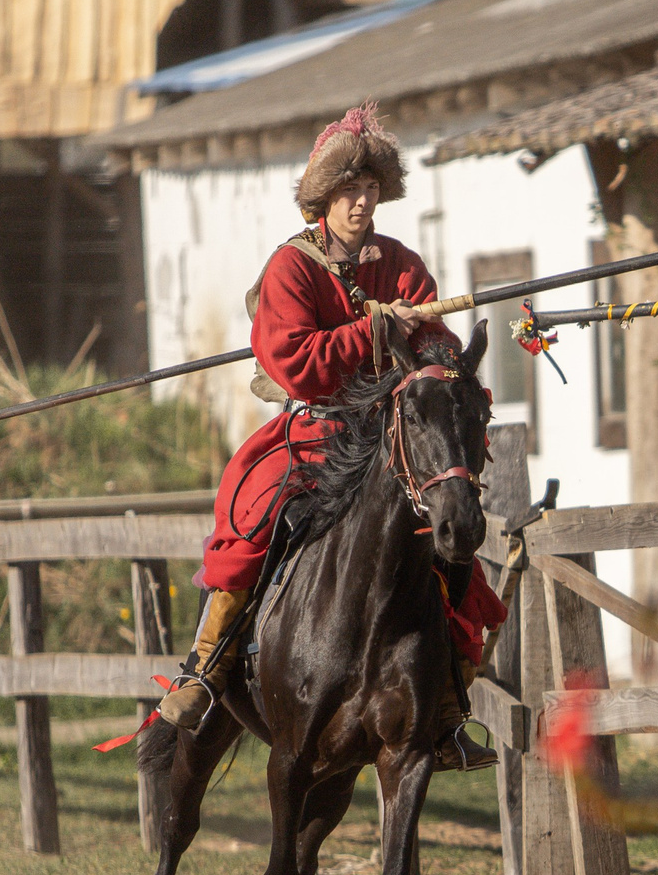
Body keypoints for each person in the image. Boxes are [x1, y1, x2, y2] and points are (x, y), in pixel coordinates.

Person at [156, 101, 501, 771]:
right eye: (349, 189)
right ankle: (208, 666)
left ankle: (448, 705)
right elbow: (294, 361)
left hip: (394, 439)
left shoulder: (401, 263)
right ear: (324, 196)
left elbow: (433, 343)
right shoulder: (291, 268)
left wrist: (430, 344)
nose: (361, 201)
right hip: (316, 430)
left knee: (453, 536)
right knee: (255, 516)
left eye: (370, 188)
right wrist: (373, 329)